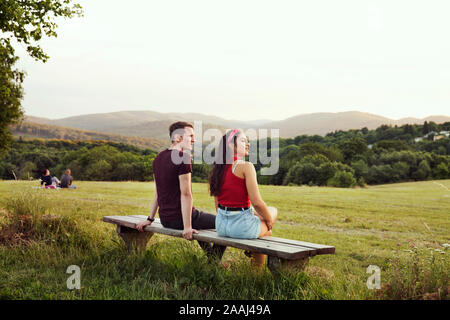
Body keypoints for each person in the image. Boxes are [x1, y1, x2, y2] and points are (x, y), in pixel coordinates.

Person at [136, 122, 225, 257]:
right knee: (224, 224)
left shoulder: (158, 158)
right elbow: (186, 194)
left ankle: (211, 258)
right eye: (190, 136)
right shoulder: (183, 158)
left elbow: (157, 192)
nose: (193, 139)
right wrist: (187, 226)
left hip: (166, 220)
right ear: (178, 137)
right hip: (179, 219)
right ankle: (214, 260)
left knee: (200, 221)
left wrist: (150, 219)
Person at [208, 129, 278, 269]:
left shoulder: (218, 169)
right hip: (242, 228)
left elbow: (217, 204)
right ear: (231, 146)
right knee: (272, 211)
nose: (248, 144)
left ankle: (254, 268)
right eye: (243, 141)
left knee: (266, 232)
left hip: (221, 226)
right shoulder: (246, 166)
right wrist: (269, 220)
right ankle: (255, 273)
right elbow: (257, 202)